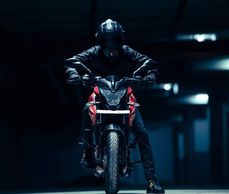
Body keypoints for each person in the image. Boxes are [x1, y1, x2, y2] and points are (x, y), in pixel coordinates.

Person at [64, 19, 165, 194]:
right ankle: (88, 153)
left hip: (125, 94)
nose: (111, 47)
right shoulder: (94, 52)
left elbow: (150, 63)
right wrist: (73, 73)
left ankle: (151, 181)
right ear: (100, 41)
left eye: (115, 41)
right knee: (87, 109)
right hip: (99, 93)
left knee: (141, 132)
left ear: (120, 41)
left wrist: (150, 75)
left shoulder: (128, 52)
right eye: (106, 42)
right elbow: (73, 62)